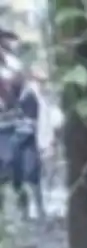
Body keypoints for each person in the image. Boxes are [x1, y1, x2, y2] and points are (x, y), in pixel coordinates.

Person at [0, 71, 42, 219]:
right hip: (9, 147)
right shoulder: (11, 98)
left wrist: (12, 119)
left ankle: (37, 212)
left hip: (24, 145)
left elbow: (31, 123)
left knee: (30, 179)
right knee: (11, 181)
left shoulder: (28, 97)